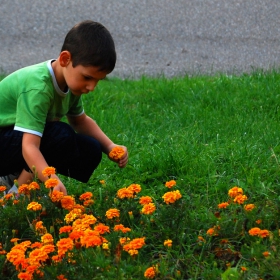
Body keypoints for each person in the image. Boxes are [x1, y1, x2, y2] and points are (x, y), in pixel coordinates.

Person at [0, 20, 128, 195]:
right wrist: (51, 179)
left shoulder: (70, 84)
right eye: (87, 77)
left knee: (90, 148)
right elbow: (28, 146)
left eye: (98, 80)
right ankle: (15, 193)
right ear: (65, 59)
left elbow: (80, 121)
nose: (92, 87)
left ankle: (28, 180)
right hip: (6, 142)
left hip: (17, 140)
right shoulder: (38, 87)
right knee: (59, 135)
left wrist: (110, 146)